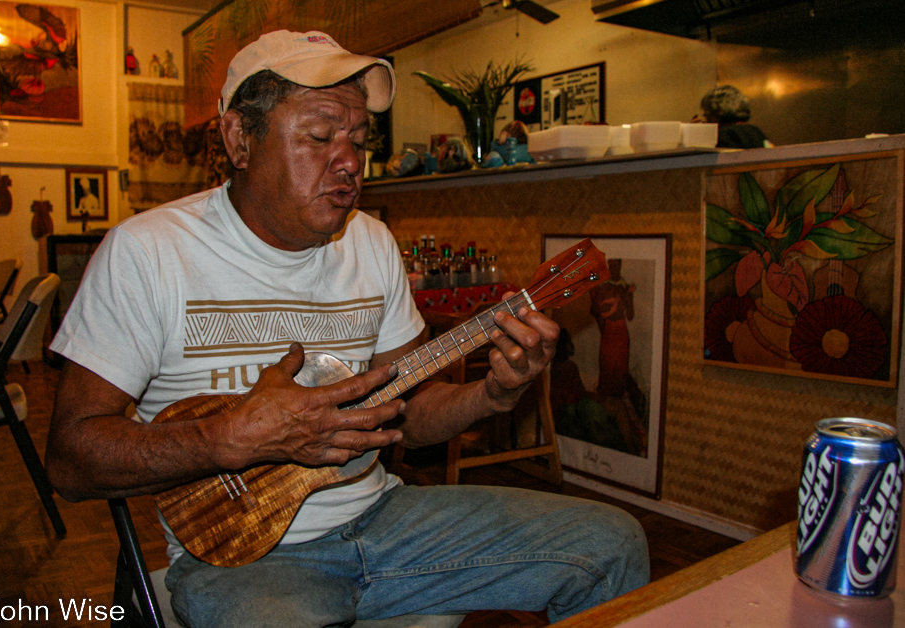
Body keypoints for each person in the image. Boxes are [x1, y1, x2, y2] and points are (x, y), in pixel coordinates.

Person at [45, 29, 648, 627]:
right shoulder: (147, 253)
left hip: (384, 522)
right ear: (239, 138)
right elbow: (71, 460)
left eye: (358, 139)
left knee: (612, 543)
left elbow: (412, 411)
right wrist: (225, 438)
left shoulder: (371, 242)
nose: (350, 162)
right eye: (318, 135)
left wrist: (493, 394)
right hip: (245, 562)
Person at [697, 85, 773, 149]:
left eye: (706, 115)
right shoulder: (756, 131)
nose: (706, 120)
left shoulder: (726, 135)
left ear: (715, 115)